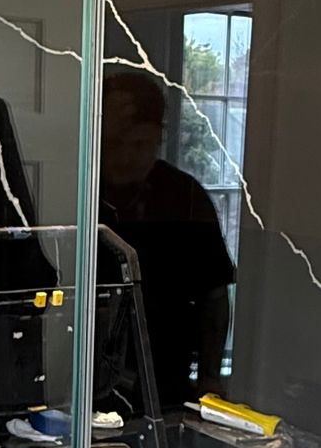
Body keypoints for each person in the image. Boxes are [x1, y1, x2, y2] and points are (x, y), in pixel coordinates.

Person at [98, 68, 234, 412]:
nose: (126, 158)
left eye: (140, 145)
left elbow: (213, 298)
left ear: (159, 137)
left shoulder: (186, 198)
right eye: (114, 144)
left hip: (165, 373)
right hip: (85, 370)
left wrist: (209, 378)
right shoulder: (75, 191)